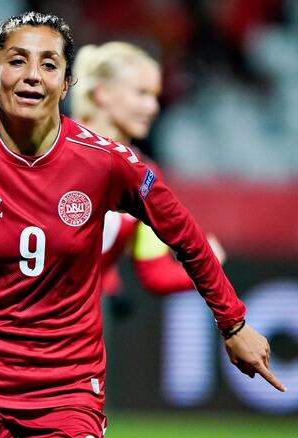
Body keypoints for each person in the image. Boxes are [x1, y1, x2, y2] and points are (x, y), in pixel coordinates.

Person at [0, 12, 284, 438]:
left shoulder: (112, 164)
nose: (33, 75)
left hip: (64, 389)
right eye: (17, 61)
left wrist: (233, 323)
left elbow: (184, 237)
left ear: (67, 82)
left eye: (49, 64)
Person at [70, 41, 228, 318]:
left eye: (155, 96)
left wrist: (206, 266)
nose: (153, 107)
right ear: (102, 93)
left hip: (78, 330)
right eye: (141, 94)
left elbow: (154, 269)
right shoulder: (56, 150)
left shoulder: (144, 176)